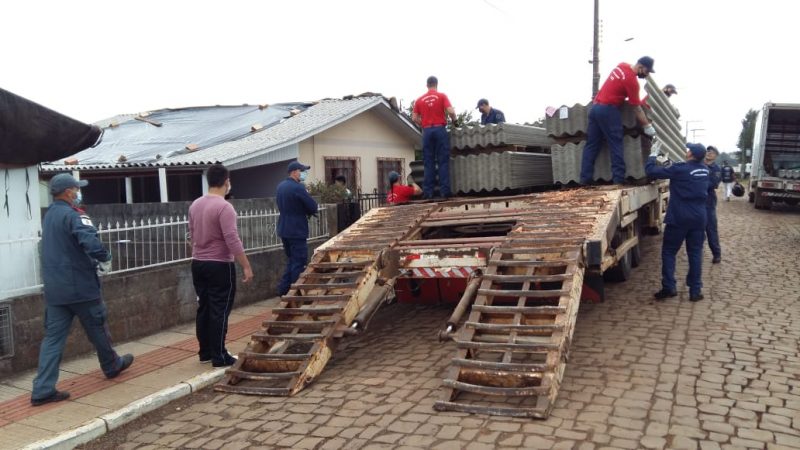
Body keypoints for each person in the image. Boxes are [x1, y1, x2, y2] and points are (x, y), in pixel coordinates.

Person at [31, 173, 134, 406]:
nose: (78, 193)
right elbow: (89, 241)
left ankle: (42, 389)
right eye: (76, 189)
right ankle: (111, 365)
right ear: (68, 192)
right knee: (98, 329)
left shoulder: (49, 216)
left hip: (55, 290)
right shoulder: (74, 215)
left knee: (52, 340)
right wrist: (105, 257)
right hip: (81, 287)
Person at [189, 164, 253, 367]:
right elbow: (232, 239)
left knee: (204, 307)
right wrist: (246, 265)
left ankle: (205, 351)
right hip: (219, 264)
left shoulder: (195, 205)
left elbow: (191, 235)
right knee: (220, 309)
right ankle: (219, 354)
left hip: (198, 262)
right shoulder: (225, 207)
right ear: (226, 181)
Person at [645, 143, 710, 302]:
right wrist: (670, 165)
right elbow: (687, 175)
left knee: (669, 252)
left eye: (688, 150)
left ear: (691, 154)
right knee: (695, 254)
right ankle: (695, 291)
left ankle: (669, 287)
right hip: (699, 218)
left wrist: (652, 156)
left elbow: (651, 171)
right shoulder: (705, 171)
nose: (686, 151)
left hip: (679, 217)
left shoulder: (680, 169)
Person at [581, 56, 658, 185]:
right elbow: (636, 108)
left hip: (595, 108)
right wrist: (647, 125)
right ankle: (618, 179)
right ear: (641, 67)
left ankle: (585, 179)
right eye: (647, 71)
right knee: (615, 143)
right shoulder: (632, 81)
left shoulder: (622, 65)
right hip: (608, 110)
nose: (647, 74)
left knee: (591, 145)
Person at [276, 161, 319, 296]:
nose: (304, 173)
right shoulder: (298, 188)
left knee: (291, 260)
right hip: (297, 230)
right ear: (294, 172)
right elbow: (313, 206)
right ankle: (296, 294)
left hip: (284, 228)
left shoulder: (280, 186)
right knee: (298, 262)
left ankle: (283, 289)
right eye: (302, 170)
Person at [412, 75, 457, 199]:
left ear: (427, 85)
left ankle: (428, 192)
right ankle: (444, 192)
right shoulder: (442, 96)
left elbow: (414, 118)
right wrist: (455, 120)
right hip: (439, 129)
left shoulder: (419, 100)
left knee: (428, 162)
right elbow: (451, 111)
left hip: (427, 131)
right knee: (442, 161)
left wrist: (424, 124)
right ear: (436, 84)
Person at [704, 146, 722, 264]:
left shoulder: (716, 169)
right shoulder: (699, 164)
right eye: (708, 151)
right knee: (696, 229)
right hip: (696, 201)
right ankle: (697, 252)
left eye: (712, 152)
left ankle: (716, 254)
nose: (709, 153)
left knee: (711, 229)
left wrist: (697, 182)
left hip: (708, 201)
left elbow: (713, 183)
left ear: (716, 156)